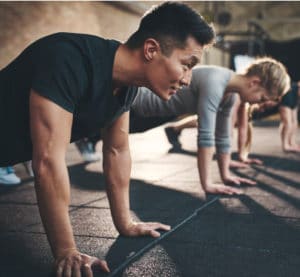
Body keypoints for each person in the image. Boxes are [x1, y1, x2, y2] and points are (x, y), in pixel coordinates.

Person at [0, 2, 215, 276]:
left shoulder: (126, 89)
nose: (188, 80)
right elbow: (47, 160)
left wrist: (125, 222)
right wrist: (66, 251)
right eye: (187, 65)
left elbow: (117, 151)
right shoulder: (68, 59)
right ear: (151, 50)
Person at [131, 57, 290, 196]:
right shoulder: (216, 81)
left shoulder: (231, 94)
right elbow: (206, 135)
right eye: (262, 98)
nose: (259, 104)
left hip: (155, 117)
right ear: (254, 82)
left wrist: (226, 175)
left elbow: (223, 136)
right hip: (134, 108)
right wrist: (207, 184)